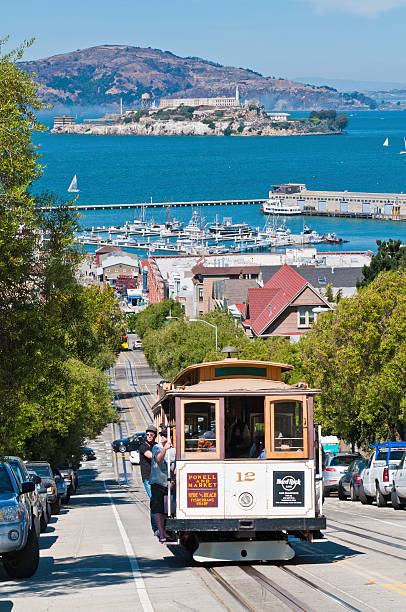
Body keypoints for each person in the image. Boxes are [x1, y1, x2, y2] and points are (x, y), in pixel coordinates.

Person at [150, 425, 176, 543]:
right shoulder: (157, 447)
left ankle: (165, 531)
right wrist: (165, 448)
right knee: (158, 509)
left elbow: (175, 468)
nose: (162, 437)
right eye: (161, 435)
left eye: (165, 435)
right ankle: (161, 532)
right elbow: (159, 459)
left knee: (166, 510)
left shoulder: (174, 450)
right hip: (157, 482)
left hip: (167, 484)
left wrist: (173, 481)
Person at [139, 425, 158, 535]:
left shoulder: (156, 445)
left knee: (159, 501)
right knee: (155, 501)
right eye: (147, 435)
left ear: (155, 436)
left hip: (158, 477)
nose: (149, 436)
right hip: (148, 478)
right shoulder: (143, 446)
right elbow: (150, 456)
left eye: (151, 435)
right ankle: (155, 527)